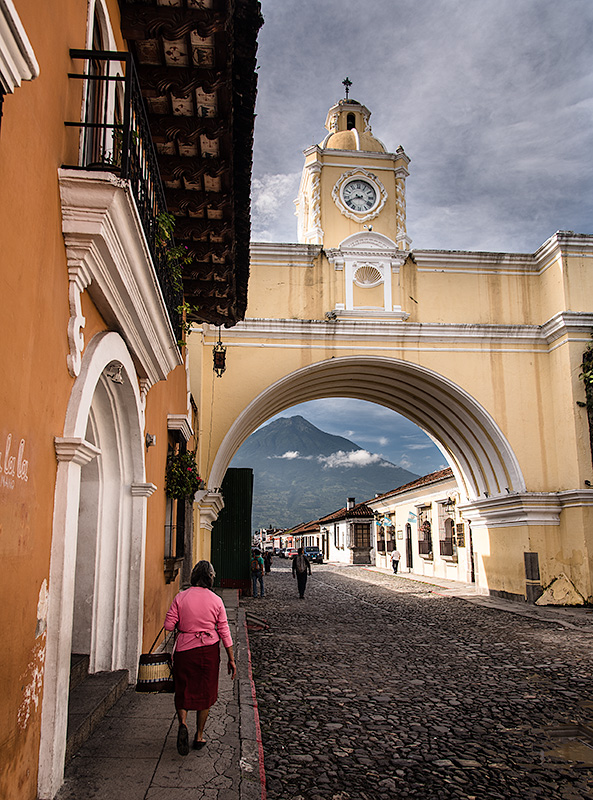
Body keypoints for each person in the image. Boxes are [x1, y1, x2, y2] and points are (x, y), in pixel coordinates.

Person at [164, 561, 236, 756]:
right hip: (208, 652)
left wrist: (183, 622)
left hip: (185, 651)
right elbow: (224, 630)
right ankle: (199, 735)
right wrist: (231, 658)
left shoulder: (181, 597)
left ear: (193, 576)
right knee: (205, 693)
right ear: (211, 577)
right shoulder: (216, 600)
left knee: (183, 689)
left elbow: (169, 626)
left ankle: (183, 723)